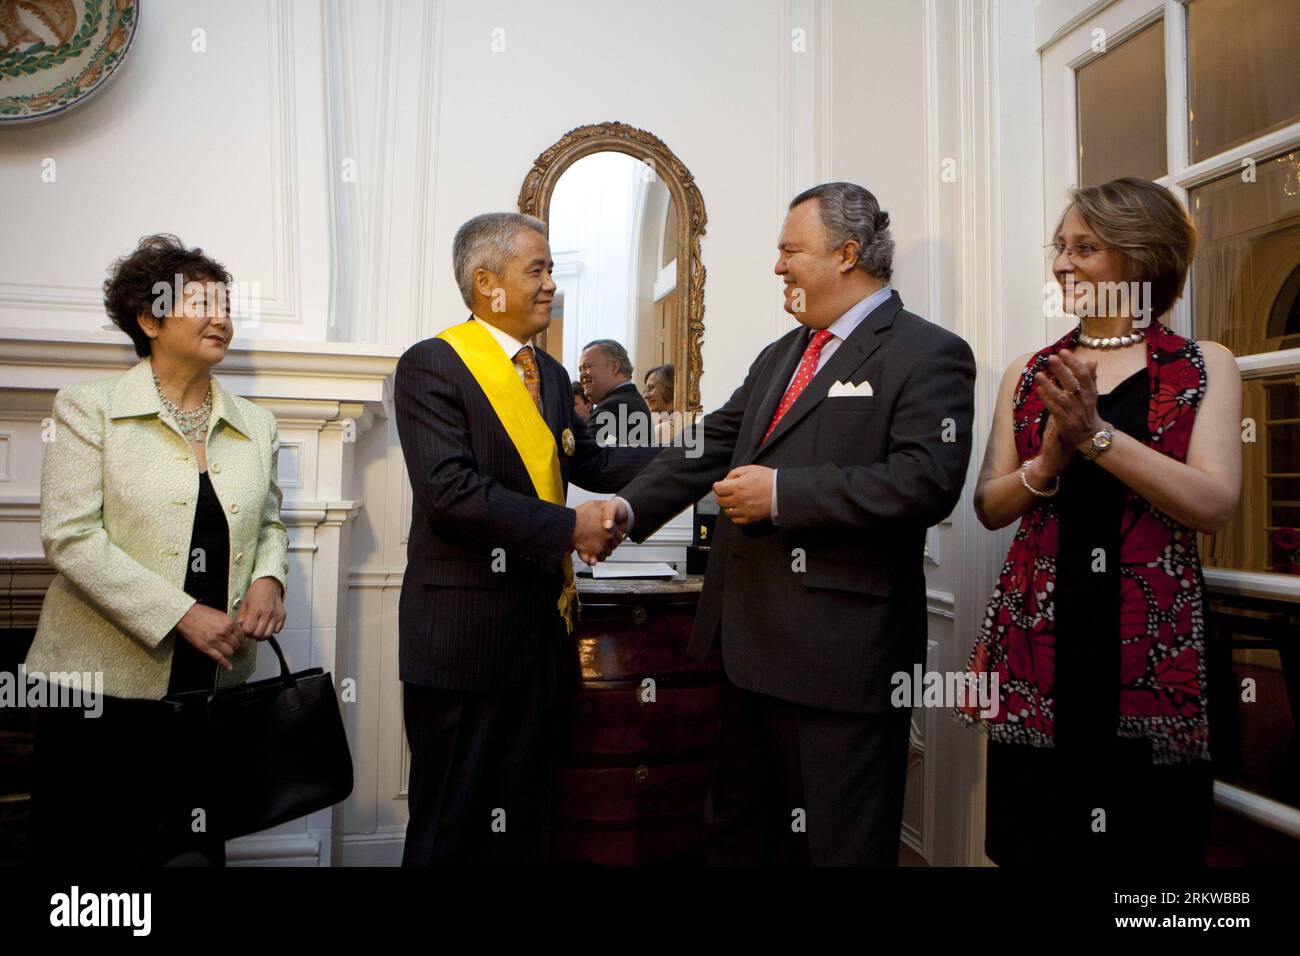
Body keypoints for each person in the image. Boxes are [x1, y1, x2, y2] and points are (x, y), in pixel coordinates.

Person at [602, 182, 976, 865]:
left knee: (839, 846)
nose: (777, 266)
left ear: (847, 254)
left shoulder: (928, 354)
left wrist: (784, 495)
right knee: (741, 836)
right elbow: (711, 442)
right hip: (748, 650)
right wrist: (626, 510)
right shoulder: (785, 353)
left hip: (845, 661)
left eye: (789, 250)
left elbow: (927, 482)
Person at [957, 177, 1242, 866]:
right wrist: (1045, 466)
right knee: (1035, 846)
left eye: (1085, 247)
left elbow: (1212, 504)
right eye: (1060, 245)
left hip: (1152, 650)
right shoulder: (1028, 373)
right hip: (1040, 650)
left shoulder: (1205, 367)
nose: (1063, 262)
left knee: (1151, 854)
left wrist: (1096, 437)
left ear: (1141, 258)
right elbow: (990, 508)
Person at [393, 212, 659, 865]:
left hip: (540, 637)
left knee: (526, 819)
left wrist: (695, 455)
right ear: (488, 283)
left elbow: (590, 461)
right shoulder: (432, 366)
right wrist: (571, 527)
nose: (550, 285)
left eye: (550, 270)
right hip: (464, 640)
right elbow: (449, 492)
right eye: (536, 270)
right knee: (453, 824)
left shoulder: (547, 371)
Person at [27, 234, 289, 866]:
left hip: (212, 686)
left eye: (226, 303)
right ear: (148, 319)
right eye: (201, 301)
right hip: (98, 692)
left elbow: (271, 523)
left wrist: (269, 579)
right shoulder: (86, 407)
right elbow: (70, 536)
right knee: (95, 861)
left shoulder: (257, 423)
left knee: (194, 853)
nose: (222, 316)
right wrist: (179, 614)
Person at [579, 339, 652, 444]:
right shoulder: (629, 400)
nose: (582, 375)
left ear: (615, 367)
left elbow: (586, 454)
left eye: (587, 367)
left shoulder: (615, 406)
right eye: (580, 370)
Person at [643, 364, 677, 443]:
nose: (645, 396)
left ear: (669, 388)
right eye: (645, 391)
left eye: (651, 388)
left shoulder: (663, 429)